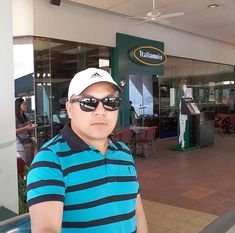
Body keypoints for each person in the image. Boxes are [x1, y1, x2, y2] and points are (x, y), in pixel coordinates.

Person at [27, 68, 148, 233]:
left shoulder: (124, 152)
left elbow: (137, 212)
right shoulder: (50, 161)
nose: (101, 111)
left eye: (110, 102)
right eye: (88, 102)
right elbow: (45, 228)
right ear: (69, 109)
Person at [15, 97, 37, 163]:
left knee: (30, 158)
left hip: (26, 141)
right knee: (23, 161)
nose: (26, 106)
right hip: (18, 142)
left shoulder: (24, 116)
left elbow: (27, 129)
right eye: (24, 105)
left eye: (26, 104)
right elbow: (12, 131)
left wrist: (31, 128)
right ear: (18, 106)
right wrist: (26, 128)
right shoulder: (14, 117)